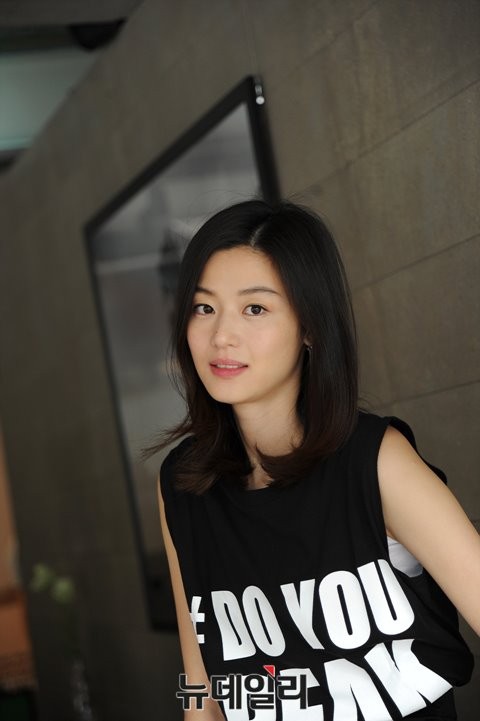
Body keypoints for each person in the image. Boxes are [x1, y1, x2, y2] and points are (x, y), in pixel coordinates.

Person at [150, 199, 480, 720]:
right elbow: (200, 685)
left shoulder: (376, 462)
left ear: (309, 326)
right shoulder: (183, 484)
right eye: (203, 307)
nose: (221, 336)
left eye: (255, 309)